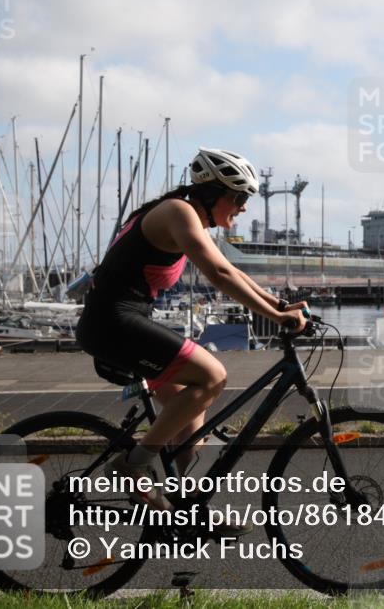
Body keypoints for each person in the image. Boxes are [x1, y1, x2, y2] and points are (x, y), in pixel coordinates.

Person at [75, 148, 307, 511]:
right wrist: (279, 320)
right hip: (113, 323)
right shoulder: (178, 212)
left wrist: (278, 306)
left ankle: (185, 504)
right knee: (213, 376)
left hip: (124, 321)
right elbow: (220, 276)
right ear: (213, 193)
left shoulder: (186, 216)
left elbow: (230, 269)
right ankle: (130, 466)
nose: (243, 207)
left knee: (191, 413)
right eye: (239, 197)